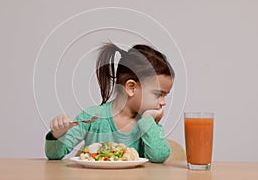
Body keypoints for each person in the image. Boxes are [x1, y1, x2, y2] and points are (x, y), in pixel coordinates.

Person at [45, 43, 175, 162]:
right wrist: (57, 134)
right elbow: (54, 155)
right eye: (158, 94)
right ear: (131, 88)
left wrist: (148, 122)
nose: (163, 103)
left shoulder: (148, 123)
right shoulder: (93, 117)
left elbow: (159, 156)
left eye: (165, 96)